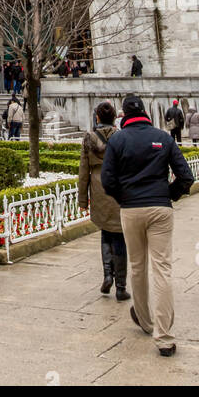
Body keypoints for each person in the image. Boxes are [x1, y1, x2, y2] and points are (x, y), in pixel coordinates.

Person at [101, 93, 194, 358]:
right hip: (160, 207)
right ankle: (164, 336)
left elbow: (107, 180)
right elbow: (186, 177)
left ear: (125, 115)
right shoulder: (163, 138)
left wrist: (125, 197)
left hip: (131, 208)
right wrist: (169, 194)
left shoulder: (117, 140)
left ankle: (144, 319)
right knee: (162, 269)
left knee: (137, 266)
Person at [78, 102, 129, 301]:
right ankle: (121, 286)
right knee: (120, 237)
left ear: (97, 118)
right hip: (118, 186)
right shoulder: (122, 137)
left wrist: (82, 199)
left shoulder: (89, 139)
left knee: (105, 233)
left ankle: (108, 274)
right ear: (115, 117)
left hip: (98, 187)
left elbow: (83, 171)